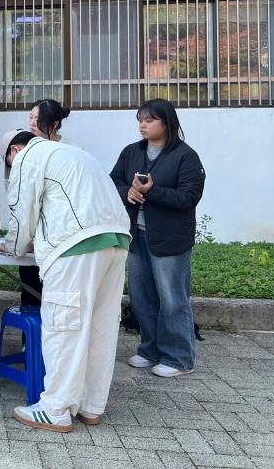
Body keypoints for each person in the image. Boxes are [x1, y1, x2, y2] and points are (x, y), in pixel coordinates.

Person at [0, 129, 131, 433]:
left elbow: (21, 210)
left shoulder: (28, 157)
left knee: (64, 326)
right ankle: (90, 406)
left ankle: (55, 409)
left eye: (8, 162)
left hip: (75, 246)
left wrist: (14, 246)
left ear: (14, 150)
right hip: (116, 240)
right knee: (100, 326)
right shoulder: (74, 153)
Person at [110, 98, 205, 378]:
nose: (143, 125)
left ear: (167, 123)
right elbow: (113, 180)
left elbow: (188, 197)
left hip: (169, 239)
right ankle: (150, 349)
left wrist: (152, 192)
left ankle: (179, 357)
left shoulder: (185, 156)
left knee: (172, 298)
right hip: (136, 236)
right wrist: (128, 192)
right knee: (142, 297)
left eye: (149, 120)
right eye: (140, 120)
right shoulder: (132, 152)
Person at [20, 98, 70, 309]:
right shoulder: (28, 149)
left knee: (55, 296)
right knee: (29, 289)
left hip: (58, 236)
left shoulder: (67, 151)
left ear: (54, 123)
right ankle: (30, 332)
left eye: (38, 119)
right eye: (31, 117)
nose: (32, 123)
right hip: (33, 233)